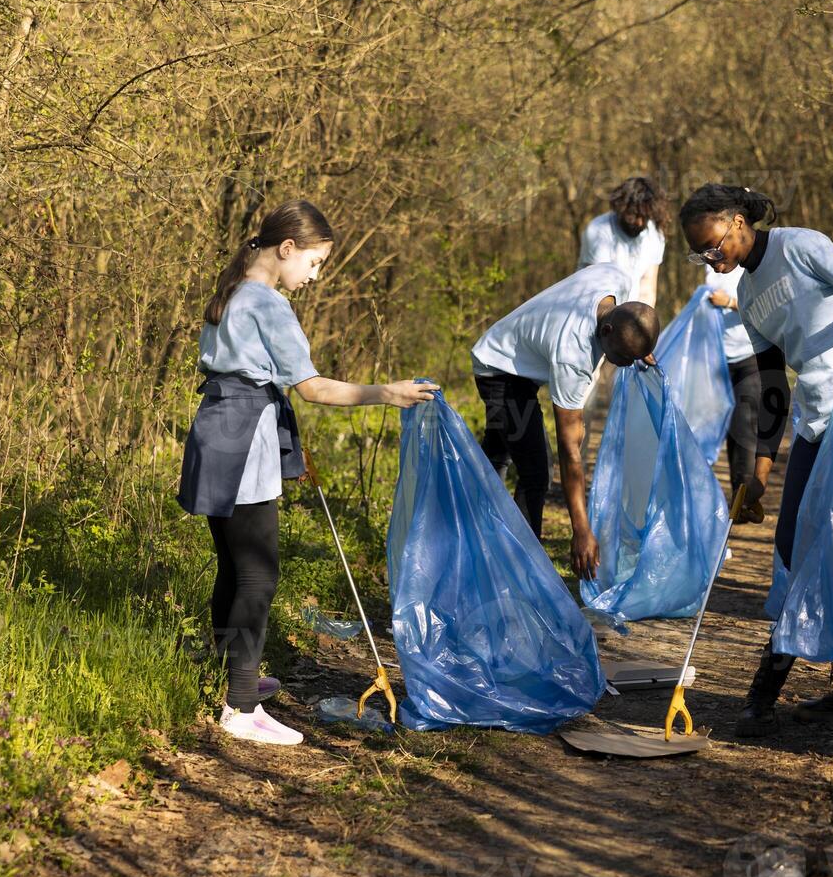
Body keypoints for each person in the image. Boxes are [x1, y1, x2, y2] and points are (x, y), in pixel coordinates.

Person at [177, 199, 436, 746]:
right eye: (314, 264)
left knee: (233, 561)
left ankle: (230, 674)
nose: (315, 277)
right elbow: (313, 388)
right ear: (286, 249)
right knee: (258, 573)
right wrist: (386, 394)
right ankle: (241, 708)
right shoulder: (268, 304)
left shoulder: (230, 291)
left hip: (215, 431)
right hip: (243, 440)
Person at [677, 184, 833, 738]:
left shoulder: (800, 245)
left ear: (738, 222)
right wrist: (757, 476)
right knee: (791, 548)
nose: (713, 259)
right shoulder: (750, 294)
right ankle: (779, 688)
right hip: (816, 419)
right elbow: (770, 389)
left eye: (714, 245)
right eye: (702, 254)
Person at [471, 264, 660, 579]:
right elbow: (570, 450)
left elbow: (632, 324)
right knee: (536, 469)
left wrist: (639, 349)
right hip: (500, 372)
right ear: (607, 331)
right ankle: (519, 572)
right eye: (623, 357)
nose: (625, 365)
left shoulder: (616, 279)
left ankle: (472, 530)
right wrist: (581, 530)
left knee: (498, 453)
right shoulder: (573, 354)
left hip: (513, 352)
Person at [702, 263, 770, 523]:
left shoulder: (752, 269)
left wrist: (729, 302)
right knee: (726, 428)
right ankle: (714, 501)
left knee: (743, 429)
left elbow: (763, 309)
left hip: (749, 356)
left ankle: (742, 502)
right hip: (718, 357)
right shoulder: (711, 269)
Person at [578, 176, 669, 307]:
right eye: (633, 215)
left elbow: (647, 288)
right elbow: (599, 291)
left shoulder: (655, 235)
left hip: (629, 314)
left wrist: (640, 322)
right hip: (592, 310)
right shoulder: (598, 231)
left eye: (644, 217)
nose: (639, 222)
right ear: (621, 208)